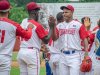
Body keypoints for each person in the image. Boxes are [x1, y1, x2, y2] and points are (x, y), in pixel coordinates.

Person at [17, 2, 55, 75]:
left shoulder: (23, 21)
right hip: (31, 53)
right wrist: (51, 27)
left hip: (21, 52)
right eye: (37, 11)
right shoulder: (37, 25)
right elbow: (46, 40)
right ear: (34, 12)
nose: (38, 13)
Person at [51, 5, 89, 75]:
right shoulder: (59, 26)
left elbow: (85, 39)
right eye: (63, 12)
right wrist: (52, 26)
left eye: (66, 12)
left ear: (71, 12)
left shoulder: (78, 25)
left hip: (75, 55)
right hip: (62, 55)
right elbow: (54, 38)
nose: (64, 14)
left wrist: (86, 54)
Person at [0, 1, 34, 75]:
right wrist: (30, 28)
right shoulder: (13, 25)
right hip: (4, 58)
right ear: (8, 10)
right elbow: (28, 36)